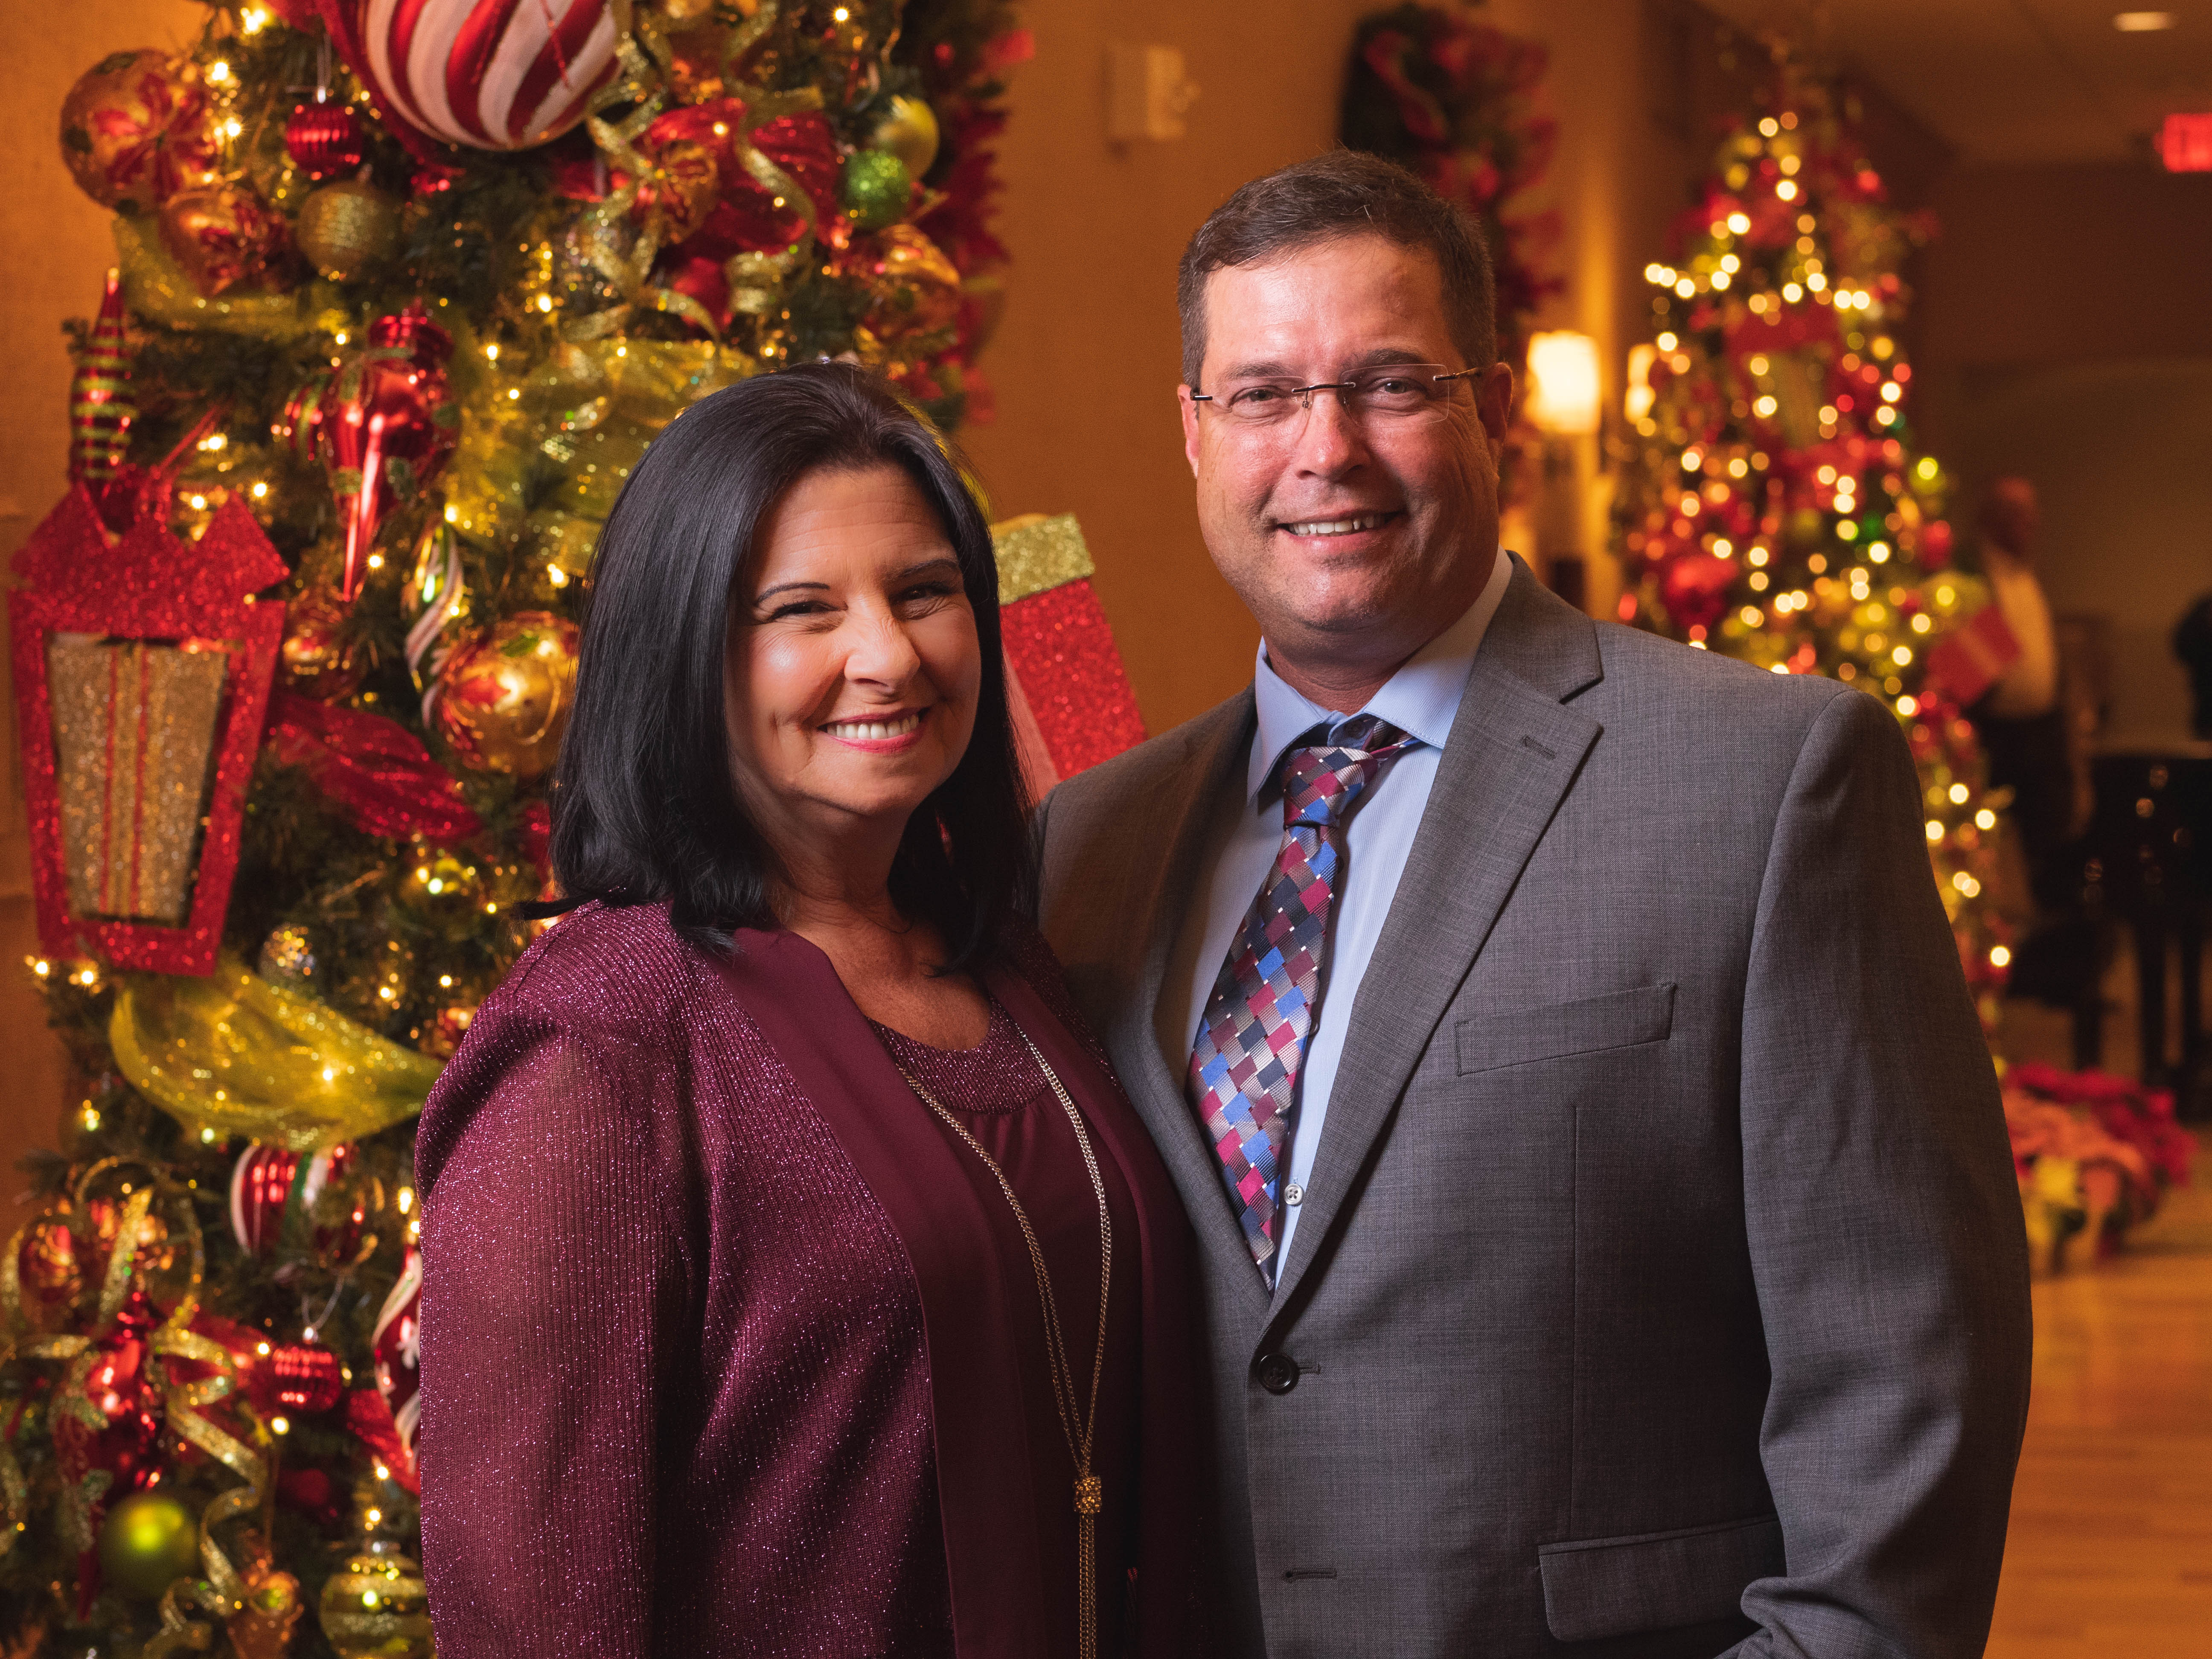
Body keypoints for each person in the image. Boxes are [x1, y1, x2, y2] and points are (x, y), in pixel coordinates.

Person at [1036, 152, 2032, 1657]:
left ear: (1492, 405)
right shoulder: (1091, 847)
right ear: (1194, 432)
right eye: (1263, 396)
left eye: (1390, 385)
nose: (1325, 451)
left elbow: (1905, 1378)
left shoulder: (1767, 781)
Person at [415, 364, 1208, 1657]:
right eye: (803, 611)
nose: (889, 656)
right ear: (685, 656)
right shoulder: (602, 1044)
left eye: (924, 592)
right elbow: (531, 1612)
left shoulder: (1009, 961)